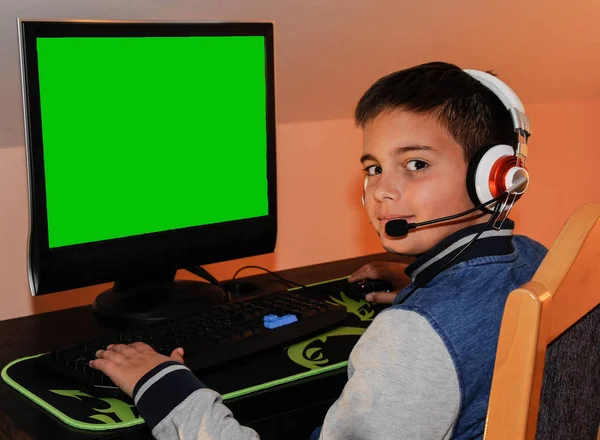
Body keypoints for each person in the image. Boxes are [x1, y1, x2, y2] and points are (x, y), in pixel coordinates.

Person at [89, 62, 547, 439]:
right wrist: (420, 285)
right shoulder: (540, 262)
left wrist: (165, 388)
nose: (382, 191)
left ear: (496, 177)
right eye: (373, 167)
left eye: (416, 164)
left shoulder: (411, 339)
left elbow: (430, 345)